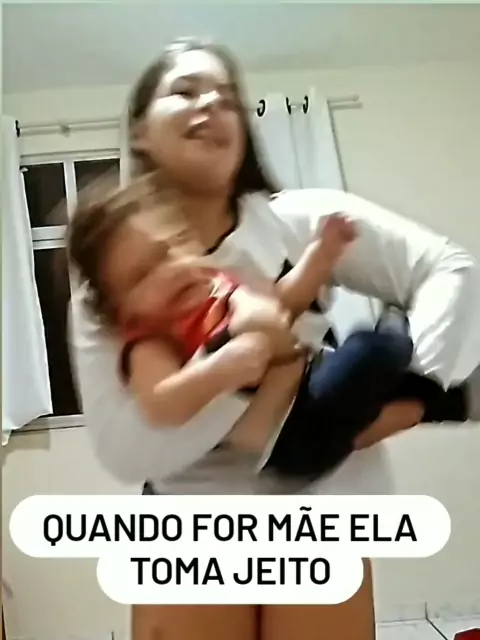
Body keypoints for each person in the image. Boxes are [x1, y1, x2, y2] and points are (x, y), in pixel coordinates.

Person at [68, 38, 480, 640]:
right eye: (185, 90)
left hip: (323, 526)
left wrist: (416, 393)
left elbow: (448, 266)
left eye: (225, 92)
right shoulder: (108, 275)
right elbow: (128, 444)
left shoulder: (294, 222)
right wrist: (265, 374)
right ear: (141, 128)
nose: (209, 103)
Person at [68, 174, 478, 481]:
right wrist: (220, 367)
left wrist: (321, 255)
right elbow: (161, 403)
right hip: (285, 438)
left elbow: (284, 304)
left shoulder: (219, 288)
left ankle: (433, 394)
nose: (167, 271)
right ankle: (433, 392)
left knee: (368, 361)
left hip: (307, 386)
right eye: (141, 276)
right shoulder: (149, 343)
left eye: (169, 249)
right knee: (371, 353)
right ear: (121, 313)